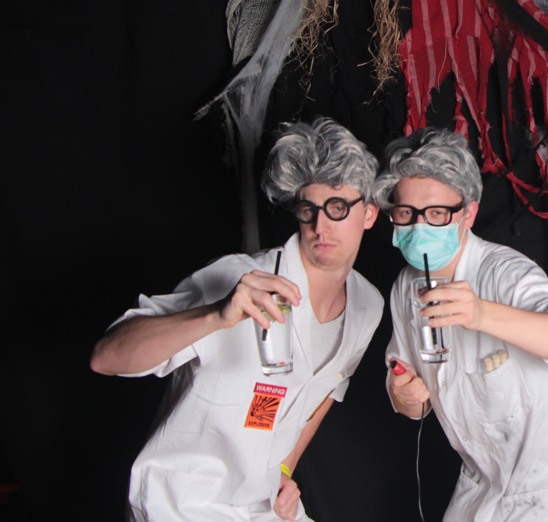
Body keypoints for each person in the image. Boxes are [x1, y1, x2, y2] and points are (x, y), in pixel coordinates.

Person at [90, 117, 383, 521]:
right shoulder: (239, 279)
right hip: (182, 503)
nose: (321, 226)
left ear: (369, 213)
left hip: (262, 503)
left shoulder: (368, 305)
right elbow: (106, 357)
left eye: (337, 208)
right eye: (308, 209)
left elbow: (328, 389)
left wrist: (285, 468)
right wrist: (216, 315)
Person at [376, 127, 548, 521]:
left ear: (468, 214)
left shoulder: (502, 272)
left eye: (437, 214)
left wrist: (482, 314)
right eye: (406, 213)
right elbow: (414, 402)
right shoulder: (406, 288)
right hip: (485, 476)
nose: (420, 227)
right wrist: (405, 394)